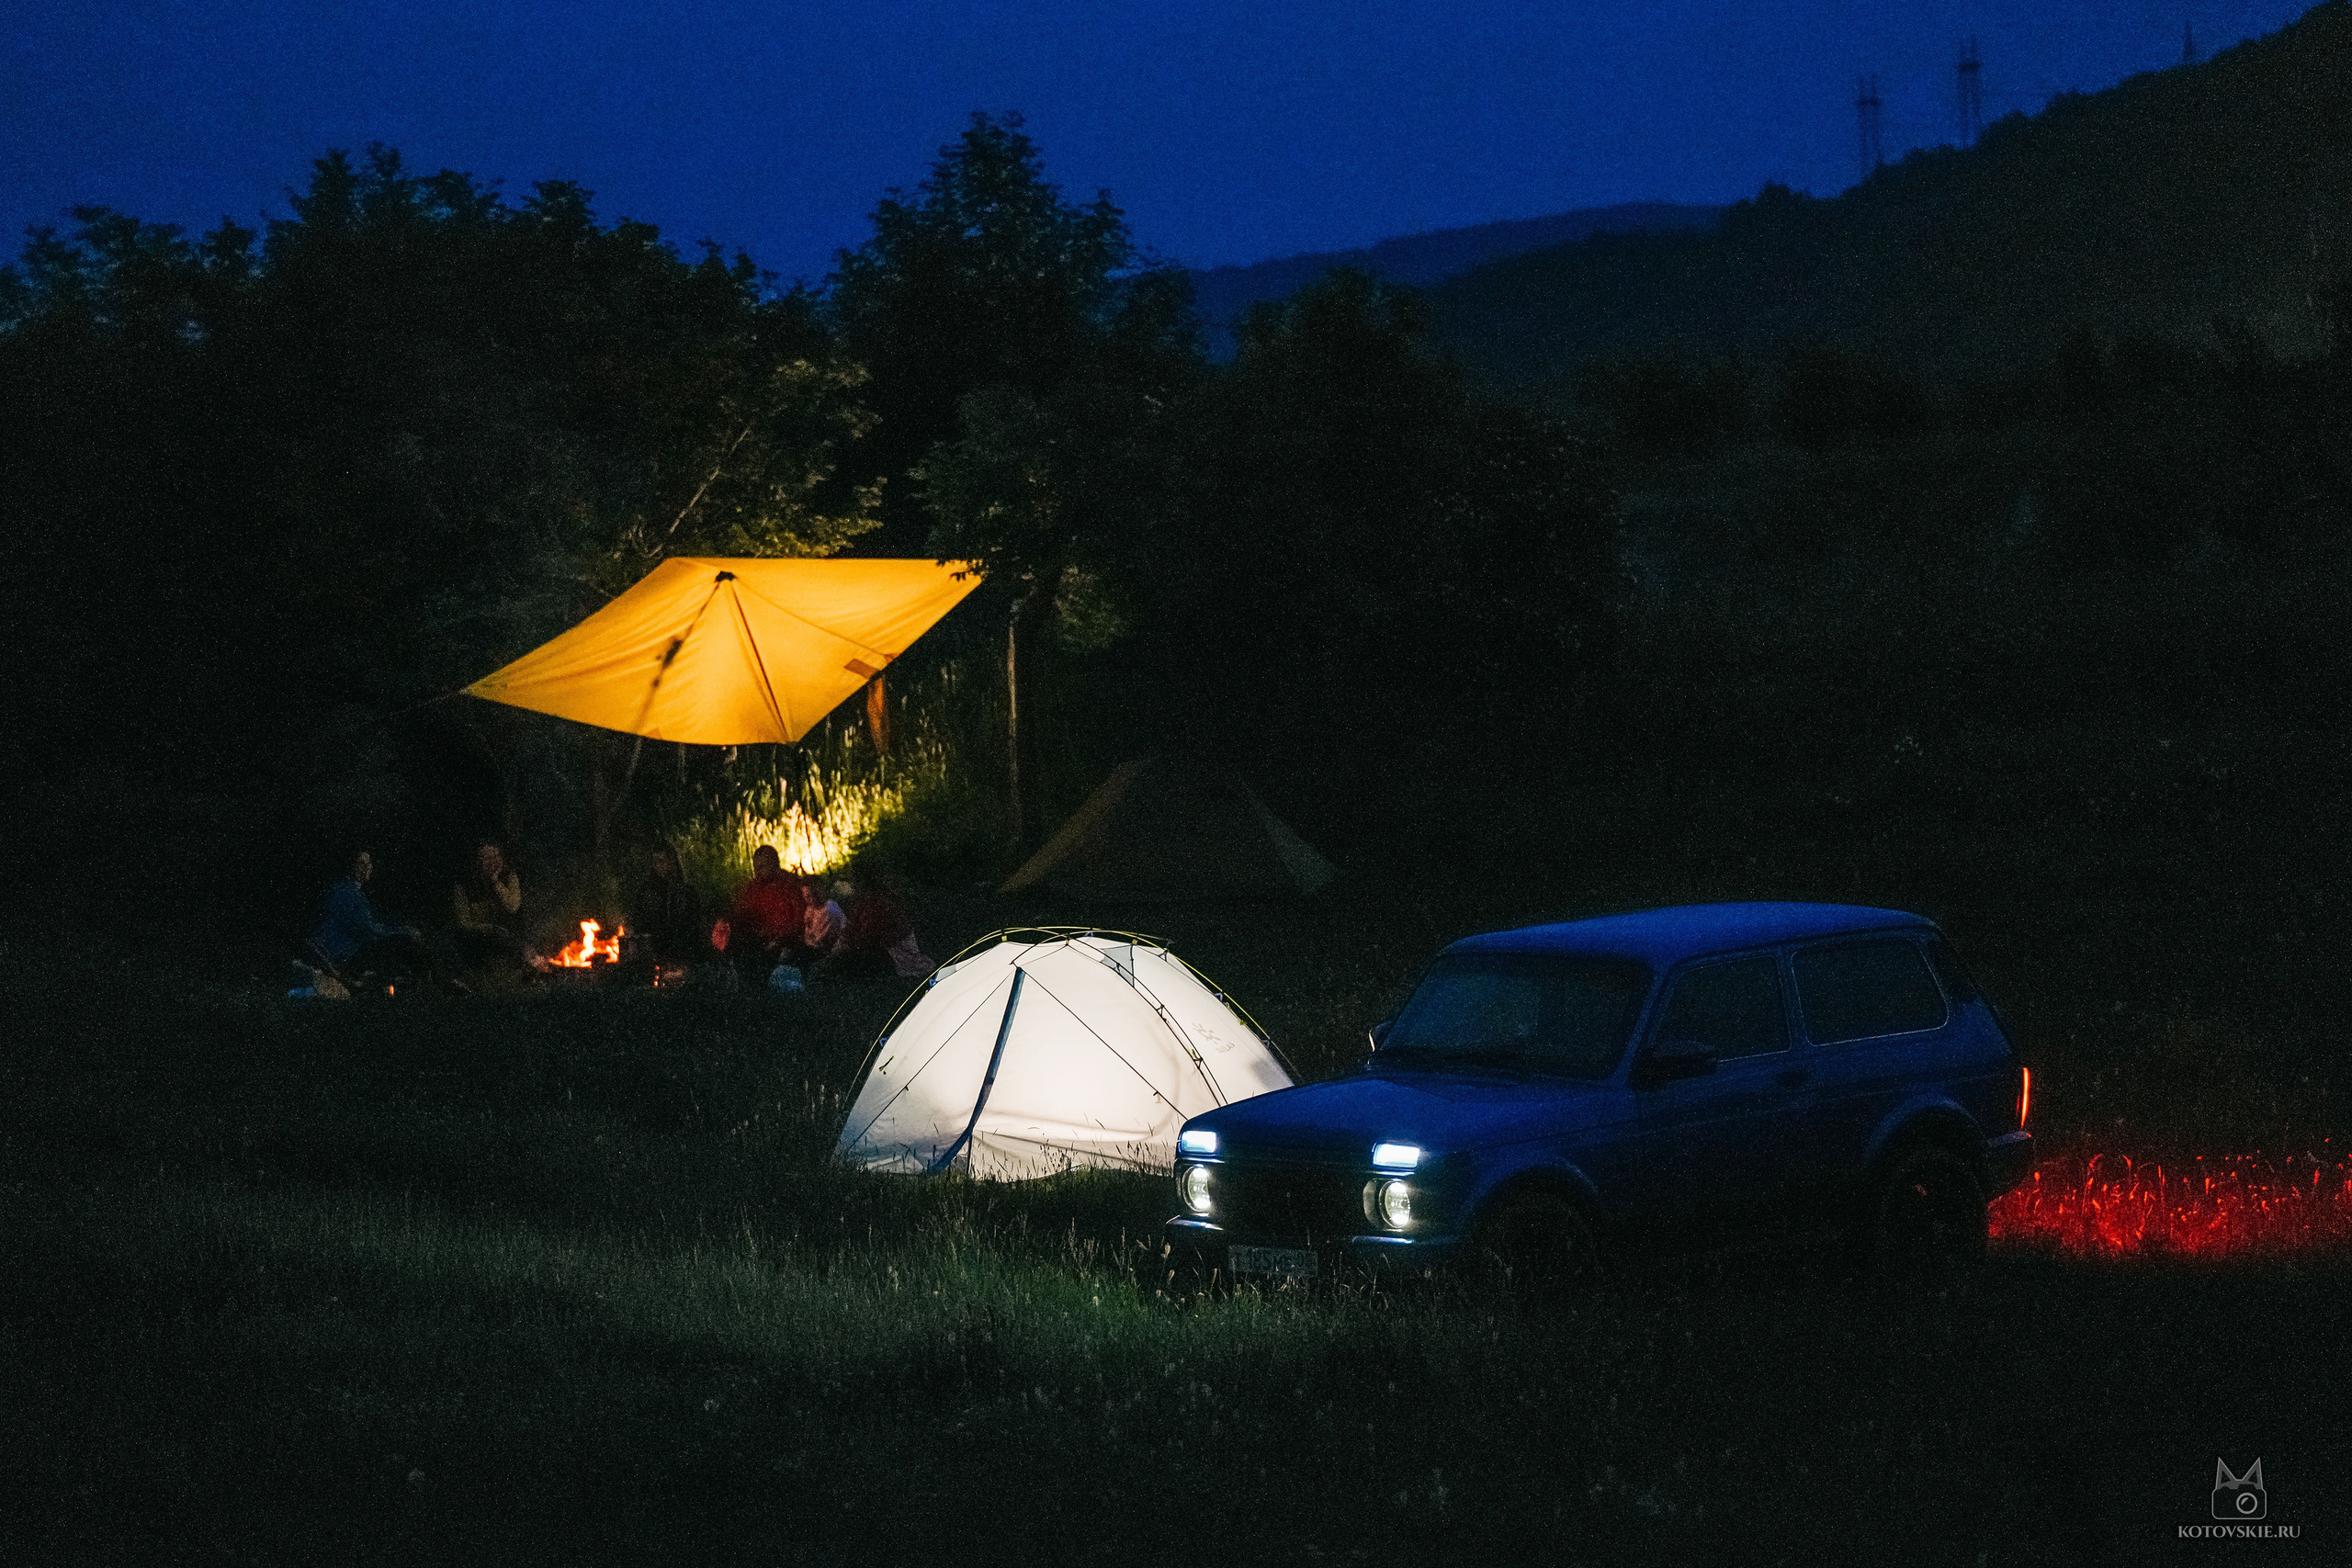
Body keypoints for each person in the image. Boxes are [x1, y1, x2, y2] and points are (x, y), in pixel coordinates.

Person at [310, 850, 433, 982]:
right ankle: (426, 983)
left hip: (345, 951)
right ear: (351, 866)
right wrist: (404, 932)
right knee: (406, 942)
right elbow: (370, 929)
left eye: (368, 863)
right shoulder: (347, 893)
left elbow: (375, 922)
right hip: (344, 954)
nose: (367, 868)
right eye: (361, 863)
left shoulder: (350, 890)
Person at [449, 840, 547, 977]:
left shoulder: (509, 877)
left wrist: (496, 883)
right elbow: (463, 923)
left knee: (522, 927)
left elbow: (513, 907)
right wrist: (488, 929)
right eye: (487, 858)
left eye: (496, 856)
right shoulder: (465, 886)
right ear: (477, 862)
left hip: (508, 932)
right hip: (479, 937)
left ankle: (532, 964)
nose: (493, 862)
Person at [711, 844, 808, 983]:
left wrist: (780, 939)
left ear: (774, 863)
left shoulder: (790, 885)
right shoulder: (753, 887)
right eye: (756, 867)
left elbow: (798, 919)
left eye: (762, 867)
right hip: (759, 939)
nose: (758, 872)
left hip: (784, 941)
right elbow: (742, 911)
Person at [824, 867, 932, 979]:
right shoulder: (865, 901)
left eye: (849, 879)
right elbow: (853, 930)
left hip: (892, 954)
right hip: (884, 950)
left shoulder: (876, 901)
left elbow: (868, 935)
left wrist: (845, 947)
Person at [632, 842, 704, 968]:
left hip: (681, 952)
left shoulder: (686, 892)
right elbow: (639, 921)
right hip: (656, 952)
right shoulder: (646, 892)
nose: (658, 866)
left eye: (661, 861)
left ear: (671, 862)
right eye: (655, 862)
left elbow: (693, 924)